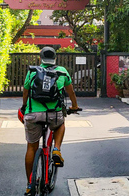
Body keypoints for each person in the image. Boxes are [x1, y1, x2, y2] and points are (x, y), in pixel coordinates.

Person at [20, 46, 79, 196]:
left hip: (33, 114)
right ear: (55, 58)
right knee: (60, 124)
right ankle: (56, 149)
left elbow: (26, 91)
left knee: (31, 148)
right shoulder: (62, 71)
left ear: (40, 58)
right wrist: (74, 105)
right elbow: (70, 91)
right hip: (54, 114)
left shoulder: (33, 71)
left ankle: (29, 185)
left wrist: (25, 106)